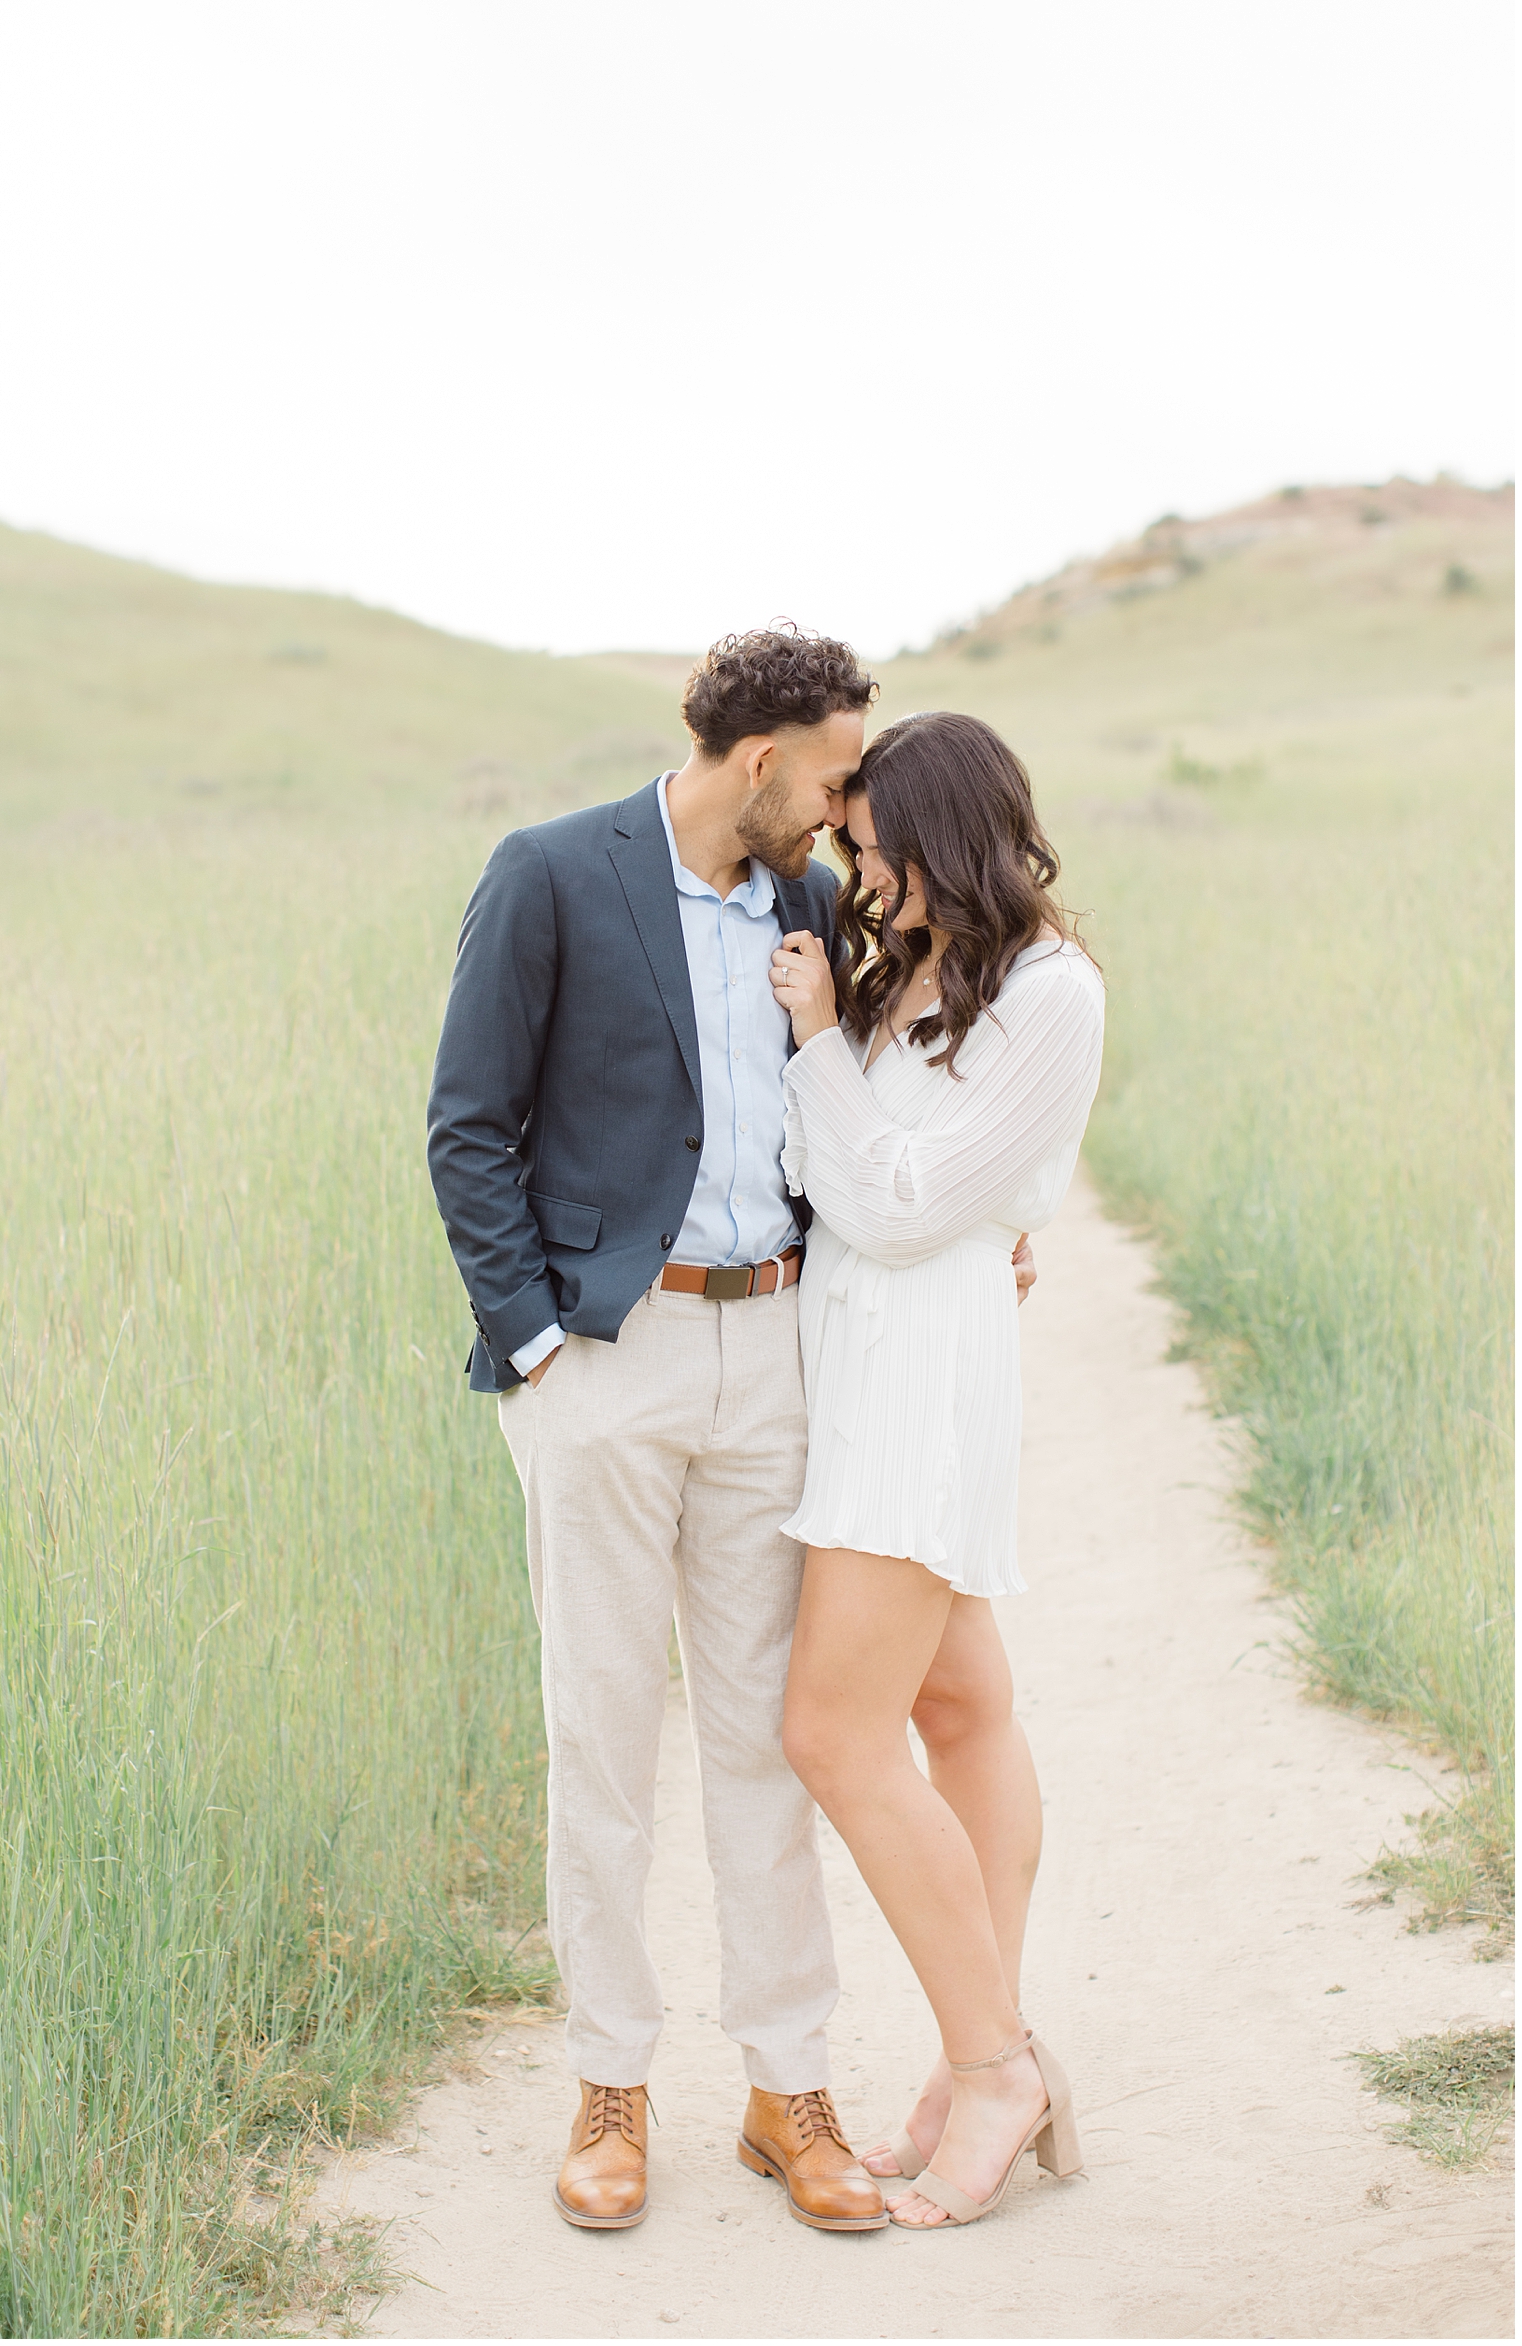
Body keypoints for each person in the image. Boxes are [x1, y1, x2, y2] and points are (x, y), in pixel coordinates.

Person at [425, 627, 891, 2234]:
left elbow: (878, 1107)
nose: (844, 813)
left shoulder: (816, 906)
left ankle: (787, 2086)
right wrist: (542, 1348)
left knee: (770, 1736)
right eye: (832, 777)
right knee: (603, 1733)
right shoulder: (551, 873)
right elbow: (467, 1126)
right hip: (606, 1367)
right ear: (759, 761)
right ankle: (611, 2080)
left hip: (775, 1355)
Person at [767, 708, 1105, 2231]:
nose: (857, 867)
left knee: (833, 1733)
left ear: (946, 828)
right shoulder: (907, 974)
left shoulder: (1052, 993)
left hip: (919, 1386)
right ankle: (992, 2043)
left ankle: (992, 2061)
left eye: (874, 841)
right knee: (960, 1707)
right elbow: (844, 1184)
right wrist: (862, 1116)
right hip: (858, 1367)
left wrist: (816, 1055)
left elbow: (905, 1204)